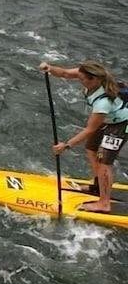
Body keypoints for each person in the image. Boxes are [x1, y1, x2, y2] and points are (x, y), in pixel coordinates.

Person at [39, 60, 128, 214]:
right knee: (91, 149)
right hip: (108, 120)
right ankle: (97, 186)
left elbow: (89, 129)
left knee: (104, 162)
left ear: (94, 80)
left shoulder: (104, 102)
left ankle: (104, 203)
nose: (80, 81)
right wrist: (50, 69)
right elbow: (65, 73)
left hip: (120, 125)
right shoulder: (91, 74)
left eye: (82, 80)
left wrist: (66, 145)